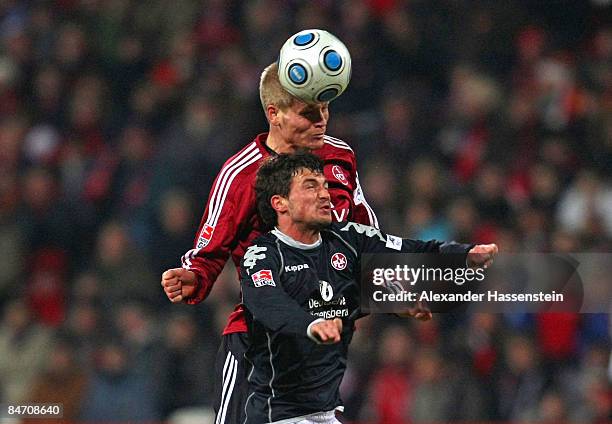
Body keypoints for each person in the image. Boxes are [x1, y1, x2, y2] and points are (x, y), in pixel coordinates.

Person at [160, 61, 378, 423]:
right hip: (257, 342)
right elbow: (209, 248)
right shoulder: (241, 173)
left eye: (325, 108)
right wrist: (194, 276)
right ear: (274, 114)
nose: (321, 120)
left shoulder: (340, 156)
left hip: (320, 342)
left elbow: (365, 230)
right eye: (308, 113)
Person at [240, 152, 498, 423]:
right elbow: (268, 303)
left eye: (325, 185)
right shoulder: (263, 254)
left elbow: (403, 250)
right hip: (277, 416)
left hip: (325, 414)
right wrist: (311, 324)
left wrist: (462, 254)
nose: (325, 194)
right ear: (280, 203)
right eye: (310, 186)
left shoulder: (347, 239)